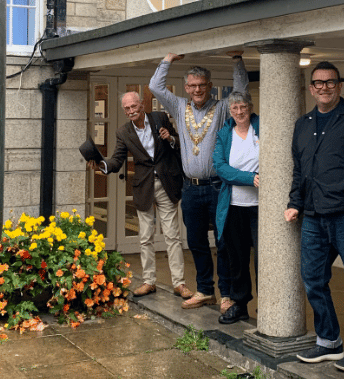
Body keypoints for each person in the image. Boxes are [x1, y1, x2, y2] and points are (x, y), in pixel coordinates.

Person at [284, 61, 344, 373]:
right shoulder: (303, 123)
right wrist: (294, 203)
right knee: (313, 280)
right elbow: (300, 170)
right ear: (311, 88)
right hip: (313, 218)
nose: (324, 87)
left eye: (330, 82)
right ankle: (328, 342)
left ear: (339, 86)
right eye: (318, 83)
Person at [149, 51, 249, 312]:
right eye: (192, 86)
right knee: (195, 242)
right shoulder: (179, 106)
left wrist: (237, 60)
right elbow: (154, 87)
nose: (196, 90)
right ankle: (205, 290)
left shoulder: (222, 108)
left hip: (218, 186)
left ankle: (226, 294)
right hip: (190, 188)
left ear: (210, 86)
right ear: (186, 88)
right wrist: (167, 59)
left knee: (223, 241)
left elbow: (240, 89)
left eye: (201, 85)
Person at [88, 92, 193, 300]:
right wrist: (101, 165)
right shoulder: (123, 132)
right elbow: (117, 160)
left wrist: (170, 138)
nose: (131, 111)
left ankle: (179, 284)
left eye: (134, 106)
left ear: (142, 105)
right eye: (127, 108)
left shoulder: (160, 118)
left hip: (167, 183)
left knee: (172, 235)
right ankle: (149, 281)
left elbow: (181, 143)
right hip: (143, 186)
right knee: (145, 238)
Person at [212, 91, 259, 324]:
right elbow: (220, 167)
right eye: (234, 109)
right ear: (230, 112)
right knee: (237, 259)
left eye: (242, 107)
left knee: (264, 258)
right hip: (234, 206)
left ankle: (270, 306)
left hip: (261, 207)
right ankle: (240, 304)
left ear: (250, 107)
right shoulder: (225, 134)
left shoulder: (261, 130)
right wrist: (250, 178)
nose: (239, 112)